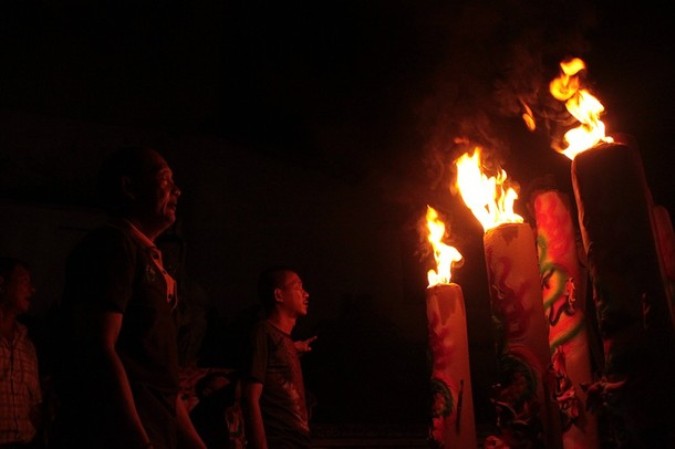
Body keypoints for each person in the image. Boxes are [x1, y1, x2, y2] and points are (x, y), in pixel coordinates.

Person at [51, 146, 206, 449]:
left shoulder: (154, 264)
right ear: (130, 187)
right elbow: (99, 346)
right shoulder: (112, 246)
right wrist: (136, 436)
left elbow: (162, 382)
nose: (177, 190)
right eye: (165, 179)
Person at [241, 266, 316, 449]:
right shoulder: (262, 332)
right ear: (279, 295)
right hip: (280, 442)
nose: (306, 294)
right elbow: (250, 397)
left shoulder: (284, 340)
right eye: (298, 287)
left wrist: (293, 349)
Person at [0, 257, 43, 449]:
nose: (32, 290)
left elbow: (35, 405)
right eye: (25, 282)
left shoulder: (27, 345)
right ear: (2, 283)